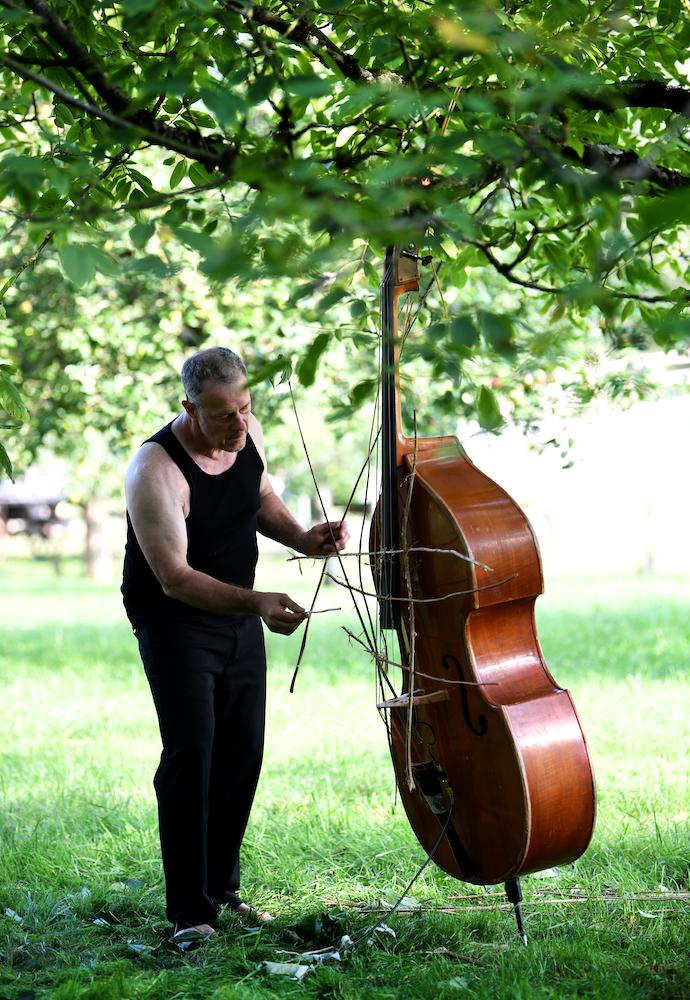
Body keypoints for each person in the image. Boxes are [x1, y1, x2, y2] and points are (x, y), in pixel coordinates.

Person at [121, 346, 348, 943]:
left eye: (245, 408)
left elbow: (261, 498)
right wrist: (256, 601)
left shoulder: (240, 437)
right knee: (192, 753)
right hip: (176, 621)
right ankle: (189, 914)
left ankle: (222, 889)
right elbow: (174, 577)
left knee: (242, 752)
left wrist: (303, 538)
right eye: (223, 415)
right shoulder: (156, 470)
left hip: (237, 613)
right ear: (188, 407)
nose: (239, 424)